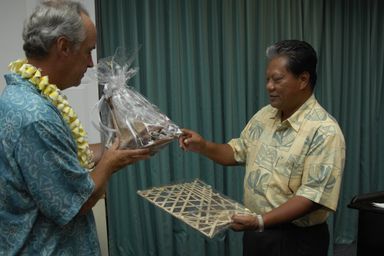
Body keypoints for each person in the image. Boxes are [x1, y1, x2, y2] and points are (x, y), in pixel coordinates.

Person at [0, 1, 151, 255]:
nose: (91, 64)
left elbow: (61, 161)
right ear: (63, 47)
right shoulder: (35, 116)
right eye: (88, 51)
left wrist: (120, 144)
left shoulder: (23, 97)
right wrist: (111, 162)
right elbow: (78, 201)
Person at [179, 40, 345, 256]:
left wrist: (260, 221)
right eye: (267, 79)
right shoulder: (265, 115)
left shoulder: (324, 131)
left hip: (297, 240)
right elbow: (237, 152)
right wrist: (203, 146)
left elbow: (312, 196)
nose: (269, 86)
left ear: (303, 79)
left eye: (277, 79)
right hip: (258, 232)